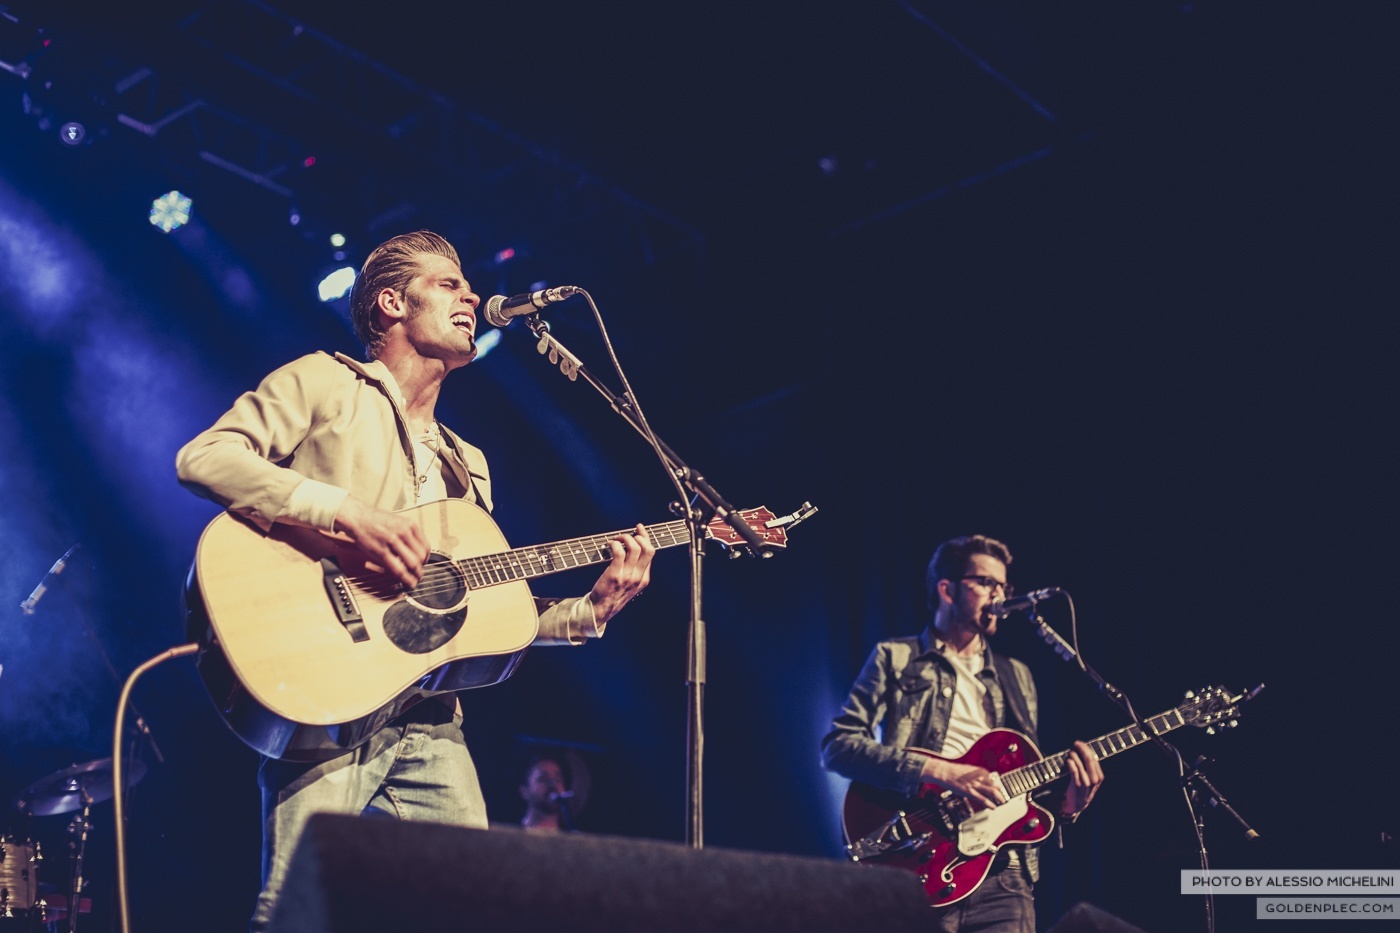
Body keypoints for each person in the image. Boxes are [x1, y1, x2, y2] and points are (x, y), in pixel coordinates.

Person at [175, 230, 655, 930]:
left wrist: (589, 610)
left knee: (472, 906)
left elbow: (485, 614)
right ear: (392, 302)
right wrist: (347, 513)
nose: (470, 296)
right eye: (449, 283)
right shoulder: (325, 381)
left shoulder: (469, 463)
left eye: (467, 286)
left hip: (431, 720)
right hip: (328, 698)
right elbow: (205, 458)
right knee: (295, 908)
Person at [820, 535, 1103, 933]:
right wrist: (943, 772)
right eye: (986, 583)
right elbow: (838, 748)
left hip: (1004, 876)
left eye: (1004, 586)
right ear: (947, 589)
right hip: (917, 860)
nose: (999, 595)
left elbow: (1026, 785)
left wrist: (1070, 804)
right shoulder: (896, 657)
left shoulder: (1017, 675)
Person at [517, 753, 576, 832]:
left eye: (558, 779)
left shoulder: (572, 840)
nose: (553, 785)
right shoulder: (509, 835)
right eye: (543, 779)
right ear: (524, 791)